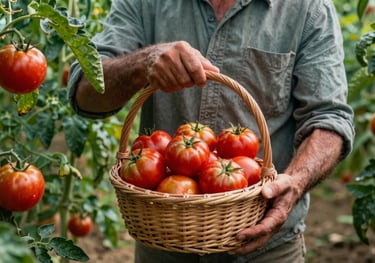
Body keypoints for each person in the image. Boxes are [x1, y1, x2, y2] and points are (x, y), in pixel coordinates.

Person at [68, 0, 355, 262]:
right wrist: (143, 63)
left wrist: (294, 182)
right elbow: (85, 94)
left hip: (266, 248)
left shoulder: (308, 8)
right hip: (165, 239)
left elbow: (329, 119)